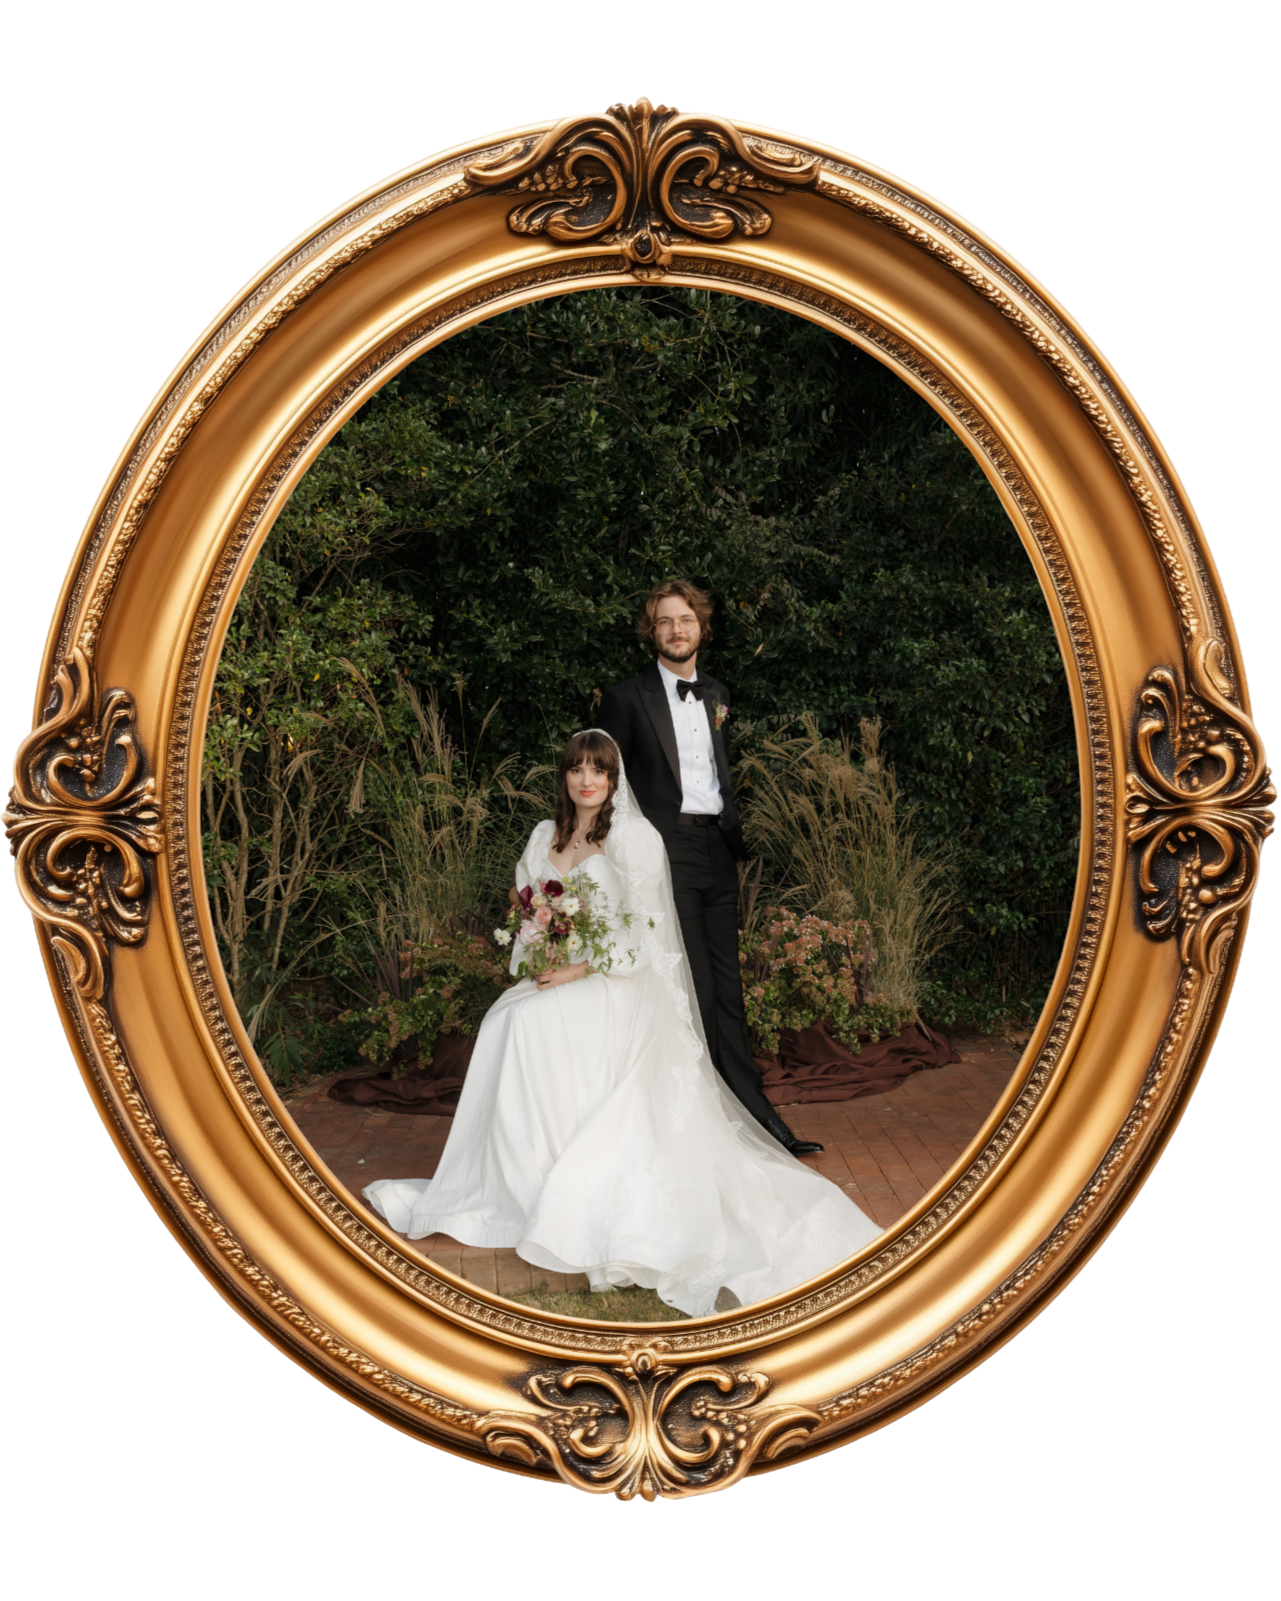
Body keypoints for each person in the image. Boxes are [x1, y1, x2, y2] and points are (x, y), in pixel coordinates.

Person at [362, 730, 881, 1318]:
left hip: (620, 982)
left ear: (614, 780)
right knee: (506, 1017)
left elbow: (650, 935)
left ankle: (558, 1184)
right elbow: (532, 913)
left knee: (530, 1025)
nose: (587, 781)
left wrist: (582, 967)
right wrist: (540, 952)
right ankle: (515, 1182)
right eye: (576, 770)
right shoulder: (542, 837)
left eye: (598, 771)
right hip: (562, 974)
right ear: (564, 777)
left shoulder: (633, 839)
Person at [596, 580, 822, 1156]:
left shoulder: (718, 692)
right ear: (653, 631)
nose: (677, 630)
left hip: (718, 849)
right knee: (690, 986)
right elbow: (605, 785)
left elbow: (716, 772)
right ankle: (701, 1120)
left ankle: (755, 1116)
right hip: (663, 855)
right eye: (666, 621)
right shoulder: (626, 697)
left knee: (728, 988)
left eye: (687, 620)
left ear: (702, 627)